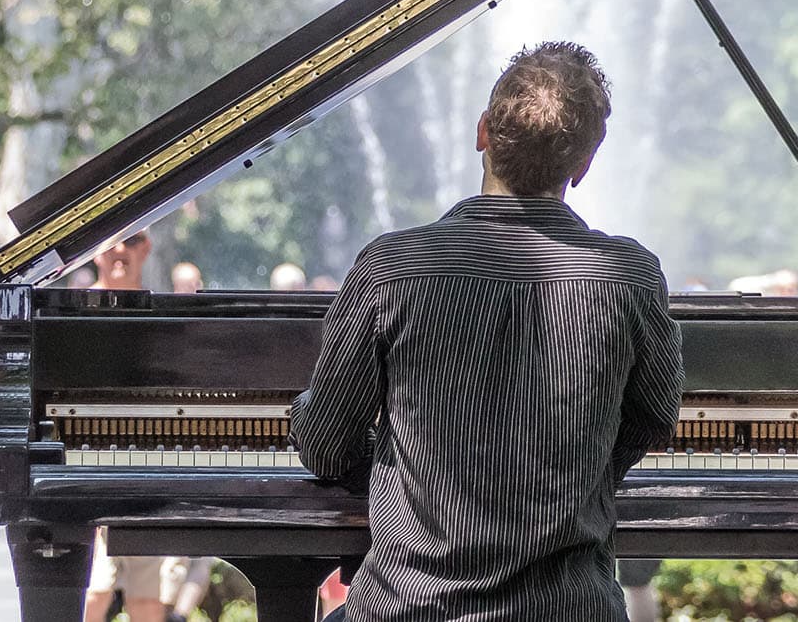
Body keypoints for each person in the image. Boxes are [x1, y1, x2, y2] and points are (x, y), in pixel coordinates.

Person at [291, 42, 683, 621]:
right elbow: (654, 418)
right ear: (583, 164)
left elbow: (323, 444)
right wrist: (580, 476)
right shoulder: (629, 276)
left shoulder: (392, 268)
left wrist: (398, 475)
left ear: (482, 132)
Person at [82, 231, 178, 622]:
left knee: (147, 601)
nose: (120, 250)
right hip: (88, 471)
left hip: (146, 472)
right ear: (94, 254)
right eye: (111, 242)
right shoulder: (75, 310)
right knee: (91, 594)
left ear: (147, 248)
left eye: (132, 240)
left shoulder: (157, 313)